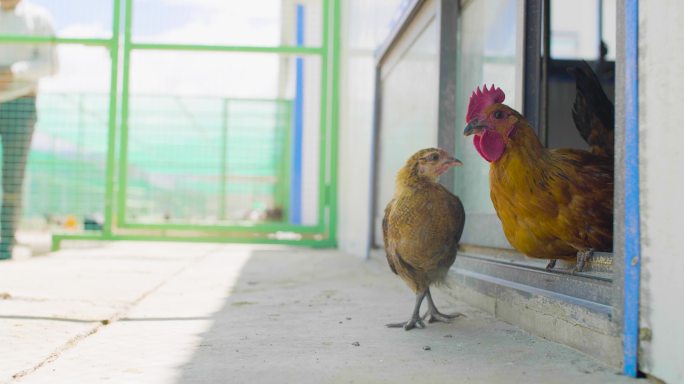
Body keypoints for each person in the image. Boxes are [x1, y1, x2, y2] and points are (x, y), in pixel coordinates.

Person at [0, 0, 58, 259]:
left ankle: (4, 242)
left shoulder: (38, 18)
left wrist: (13, 73)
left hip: (21, 100)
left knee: (13, 177)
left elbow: (50, 63)